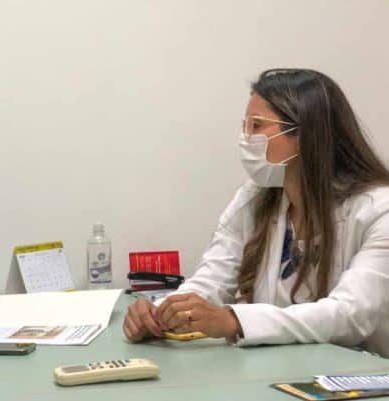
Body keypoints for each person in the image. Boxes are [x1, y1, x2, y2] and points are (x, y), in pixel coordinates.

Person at [123, 68, 389, 357]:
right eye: (245, 126)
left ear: (304, 134)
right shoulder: (255, 197)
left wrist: (234, 320)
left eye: (257, 126)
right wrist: (162, 313)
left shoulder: (378, 211)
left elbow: (350, 314)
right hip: (284, 368)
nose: (246, 138)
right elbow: (213, 279)